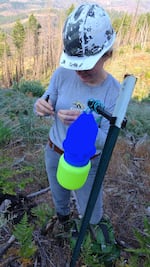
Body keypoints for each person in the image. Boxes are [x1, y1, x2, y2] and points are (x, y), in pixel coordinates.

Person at [34, 3, 120, 229]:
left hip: (88, 162)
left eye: (87, 65)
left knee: (91, 210)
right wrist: (40, 106)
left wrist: (86, 125)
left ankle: (90, 238)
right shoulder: (62, 73)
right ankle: (63, 222)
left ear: (106, 54)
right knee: (59, 198)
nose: (79, 71)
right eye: (76, 65)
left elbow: (109, 139)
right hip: (55, 151)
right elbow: (47, 98)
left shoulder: (113, 91)